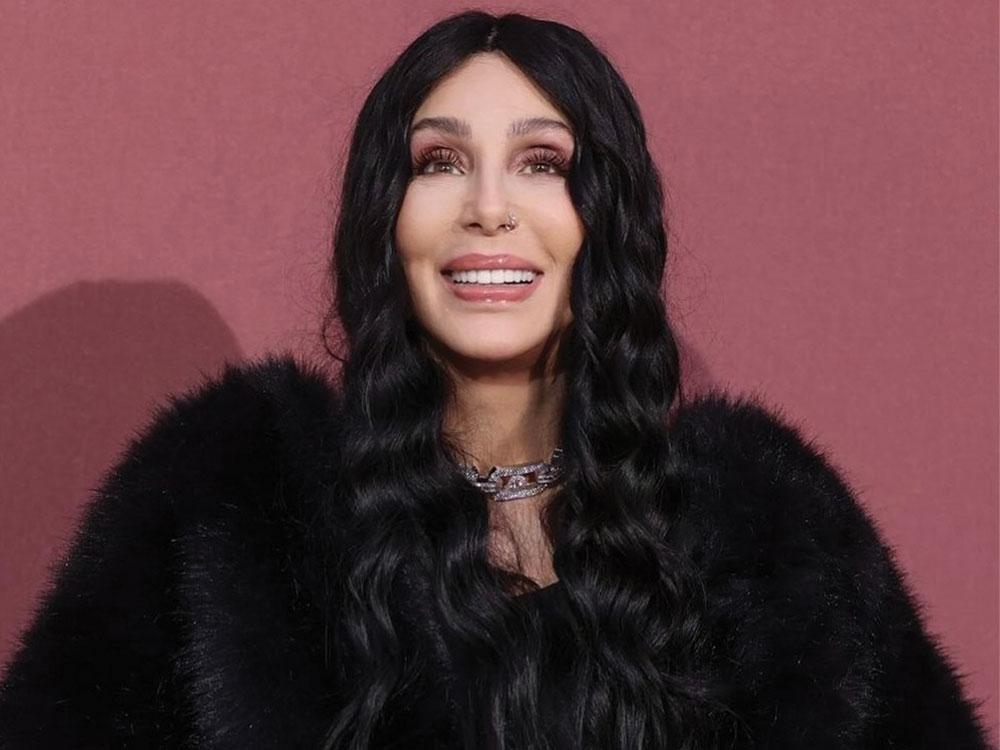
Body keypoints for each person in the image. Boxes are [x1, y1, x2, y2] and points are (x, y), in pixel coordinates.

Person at [0, 10, 992, 750]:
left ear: (606, 219)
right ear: (386, 219)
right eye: (439, 162)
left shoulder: (773, 538)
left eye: (542, 163)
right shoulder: (229, 512)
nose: (487, 206)